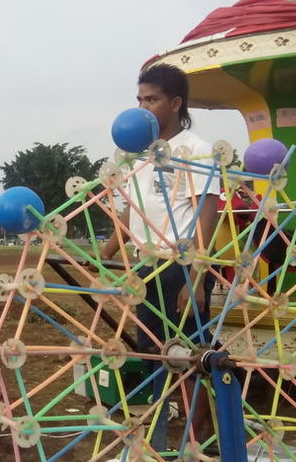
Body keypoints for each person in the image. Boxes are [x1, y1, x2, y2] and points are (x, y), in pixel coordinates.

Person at [100, 63, 219, 451]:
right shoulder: (136, 155)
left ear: (175, 103)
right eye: (139, 99)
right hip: (146, 269)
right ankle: (157, 442)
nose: (142, 107)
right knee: (152, 356)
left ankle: (195, 442)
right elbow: (131, 211)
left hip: (182, 267)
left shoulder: (196, 151)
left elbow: (206, 212)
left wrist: (198, 277)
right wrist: (101, 257)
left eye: (151, 99)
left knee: (192, 360)